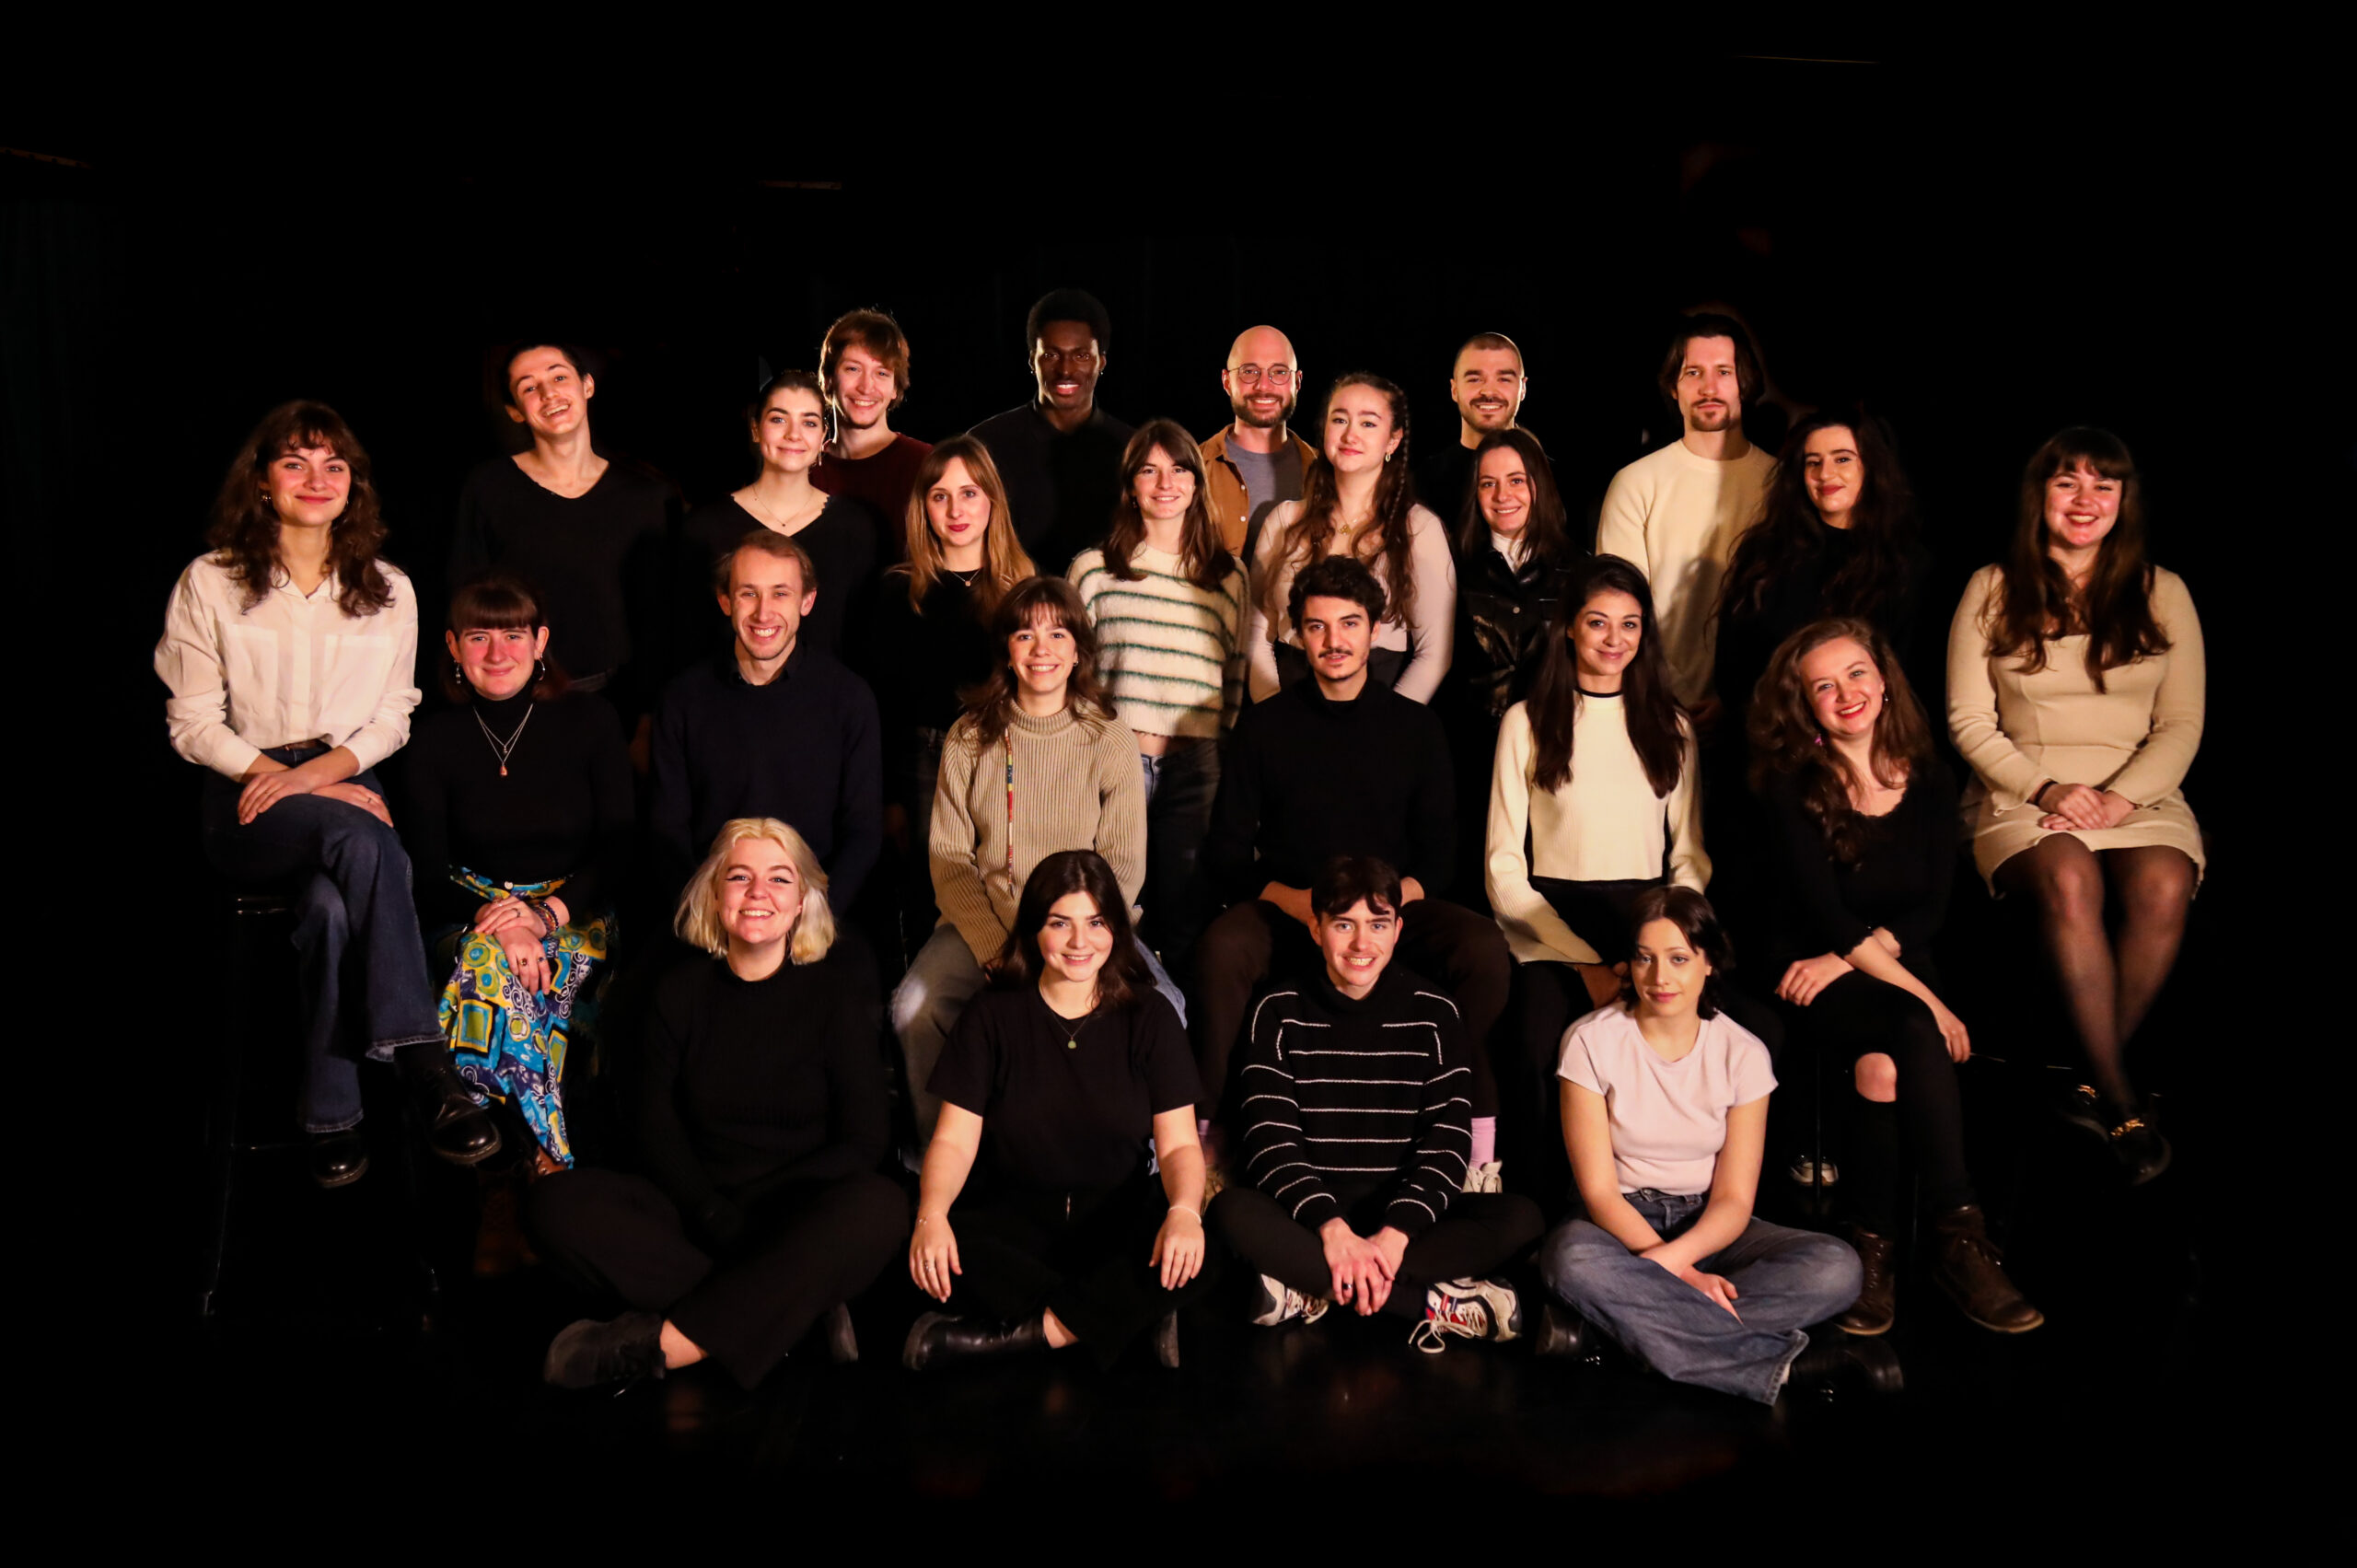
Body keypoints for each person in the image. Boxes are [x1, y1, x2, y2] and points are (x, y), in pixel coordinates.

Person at [157, 401, 493, 1188]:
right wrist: (277, 777)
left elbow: (393, 716)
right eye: (295, 463)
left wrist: (317, 778)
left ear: (353, 485)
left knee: (331, 907)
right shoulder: (212, 580)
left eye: (333, 465)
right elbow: (193, 722)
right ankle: (426, 1064)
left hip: (344, 780)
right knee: (366, 840)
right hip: (243, 793)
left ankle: (332, 1115)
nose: (317, 478)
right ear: (263, 481)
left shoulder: (388, 588)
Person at [527, 819, 905, 1389]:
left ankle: (664, 1347)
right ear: (715, 894)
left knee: (881, 1207)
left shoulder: (837, 997)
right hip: (695, 1214)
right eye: (739, 877)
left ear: (803, 902)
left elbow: (865, 1140)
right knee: (554, 1206)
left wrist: (754, 1210)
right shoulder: (677, 993)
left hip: (799, 1217)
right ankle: (792, 1311)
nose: (758, 892)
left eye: (779, 879)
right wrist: (709, 1211)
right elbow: (652, 1127)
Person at [1753, 620, 2042, 1335]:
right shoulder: (1791, 785)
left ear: (1883, 680)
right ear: (1807, 705)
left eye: (1856, 673)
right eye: (1824, 685)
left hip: (1880, 961)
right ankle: (1960, 1237)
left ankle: (1872, 1251)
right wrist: (1931, 1003)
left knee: (1883, 1068)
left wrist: (1874, 964)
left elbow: (1932, 908)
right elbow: (1826, 915)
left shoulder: (1931, 776)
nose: (1845, 693)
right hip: (1806, 977)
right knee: (1914, 1027)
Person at [1197, 558, 1508, 1186]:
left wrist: (1383, 914)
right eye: (1317, 626)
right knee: (1221, 950)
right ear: (1297, 635)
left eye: (1349, 624)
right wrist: (1299, 904)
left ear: (1375, 630)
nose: (1333, 640)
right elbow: (1227, 856)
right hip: (1296, 910)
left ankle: (1470, 1142)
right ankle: (1205, 1143)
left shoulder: (1417, 727)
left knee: (1482, 949)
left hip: (1391, 913)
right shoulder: (1264, 726)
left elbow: (1440, 858)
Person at [1947, 428, 2203, 1183]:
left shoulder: (2164, 590)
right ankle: (2119, 1097)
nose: (2085, 500)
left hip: (2139, 791)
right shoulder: (1992, 587)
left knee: (2166, 880)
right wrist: (2048, 789)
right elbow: (1968, 719)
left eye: (2103, 485)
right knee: (2068, 874)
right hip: (2023, 792)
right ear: (2042, 495)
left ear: (2124, 500)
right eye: (2068, 482)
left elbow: (2182, 723)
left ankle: (2086, 1078)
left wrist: (2120, 798)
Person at [1538, 888, 1864, 1403]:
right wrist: (1684, 1275)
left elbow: (1734, 1200)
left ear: (1709, 962)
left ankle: (1611, 1331)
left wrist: (1675, 1268)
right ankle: (1780, 1366)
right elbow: (1600, 1194)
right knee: (1569, 1259)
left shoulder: (1743, 1052)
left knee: (1837, 1267)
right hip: (1620, 1226)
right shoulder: (1590, 1041)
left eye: (1678, 959)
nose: (1659, 977)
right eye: (1644, 958)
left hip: (1710, 1226)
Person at [1209, 855, 1542, 1352]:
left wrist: (1395, 1234)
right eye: (1344, 925)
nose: (1362, 944)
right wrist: (1332, 1230)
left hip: (1402, 1215)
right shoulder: (1277, 1011)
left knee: (1522, 1219)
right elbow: (1270, 1143)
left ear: (1398, 930)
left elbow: (1447, 1142)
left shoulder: (1436, 1013)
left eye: (1377, 925)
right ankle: (1428, 1305)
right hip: (1312, 1216)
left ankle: (1311, 1288)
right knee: (1229, 1211)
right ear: (1316, 929)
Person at [892, 576, 1184, 1142]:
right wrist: (995, 945)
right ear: (1007, 650)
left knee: (1168, 1006)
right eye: (1025, 635)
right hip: (989, 924)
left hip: (1089, 928)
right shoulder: (969, 736)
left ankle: (1149, 1164)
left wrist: (1081, 935)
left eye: (1057, 634)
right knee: (913, 1009)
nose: (1041, 649)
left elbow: (1124, 865)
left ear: (1077, 651)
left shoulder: (1109, 737)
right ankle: (940, 1162)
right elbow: (950, 859)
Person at [904, 851, 1215, 1371]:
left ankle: (1017, 1336)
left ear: (1116, 929)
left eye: (1095, 922)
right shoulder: (991, 1014)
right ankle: (1120, 1313)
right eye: (1059, 923)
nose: (1079, 942)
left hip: (1115, 1222)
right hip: (1015, 1220)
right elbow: (954, 1141)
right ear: (1034, 930)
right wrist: (931, 1215)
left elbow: (1180, 1144)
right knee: (921, 1236)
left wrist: (1184, 1212)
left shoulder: (1152, 1016)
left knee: (1213, 1236)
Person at [1484, 555, 1706, 1204]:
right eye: (1598, 622)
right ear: (1571, 628)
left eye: (1630, 624)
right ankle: (1543, 1217)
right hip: (1551, 926)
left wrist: (1666, 949)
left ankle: (1663, 1206)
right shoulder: (1526, 721)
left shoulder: (1671, 725)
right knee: (1537, 1044)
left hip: (1650, 923)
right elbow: (1503, 866)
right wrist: (1584, 964)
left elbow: (1690, 857)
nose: (1614, 639)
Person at [406, 571, 634, 1172]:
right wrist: (499, 919)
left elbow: (619, 847)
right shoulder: (430, 737)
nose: (497, 653)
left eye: (513, 635)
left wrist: (543, 916)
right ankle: (541, 1158)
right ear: (453, 647)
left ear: (541, 642)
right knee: (488, 965)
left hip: (573, 908)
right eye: (478, 637)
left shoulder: (592, 720)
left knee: (547, 976)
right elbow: (425, 871)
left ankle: (514, 1160)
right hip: (470, 910)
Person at [1068, 421, 1248, 976]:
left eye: (1178, 470)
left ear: (1197, 483)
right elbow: (1072, 676)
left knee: (1187, 917)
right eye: (1149, 470)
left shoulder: (1228, 577)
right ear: (1130, 486)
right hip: (1114, 760)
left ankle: (1179, 1024)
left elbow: (1235, 679)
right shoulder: (1095, 569)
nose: (1165, 483)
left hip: (1194, 769)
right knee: (1105, 910)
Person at [450, 341, 676, 749]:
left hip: (621, 708)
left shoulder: (648, 498)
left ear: (587, 385)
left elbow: (661, 622)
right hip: (518, 703)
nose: (548, 393)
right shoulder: (488, 489)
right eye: (529, 387)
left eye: (558, 377)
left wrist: (648, 717)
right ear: (515, 411)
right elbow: (466, 605)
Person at [866, 437, 1039, 949]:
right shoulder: (899, 590)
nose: (956, 510)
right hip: (925, 759)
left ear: (992, 500)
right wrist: (890, 799)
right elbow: (881, 700)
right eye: (940, 496)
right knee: (931, 888)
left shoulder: (1024, 587)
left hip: (1006, 751)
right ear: (923, 508)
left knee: (1006, 881)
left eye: (969, 493)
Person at [648, 532, 882, 910]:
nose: (763, 613)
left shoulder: (849, 698)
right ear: (725, 600)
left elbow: (864, 833)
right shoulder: (681, 699)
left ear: (807, 601)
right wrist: (705, 914)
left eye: (780, 593)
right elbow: (667, 831)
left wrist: (815, 917)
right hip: (711, 909)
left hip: (815, 910)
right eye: (749, 593)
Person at [1595, 314, 1776, 712]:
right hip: (1654, 706)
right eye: (1693, 372)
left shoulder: (1779, 484)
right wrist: (1666, 698)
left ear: (1744, 383)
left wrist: (1737, 698)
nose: (1709, 388)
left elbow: (1787, 610)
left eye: (1723, 372)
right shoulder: (1635, 483)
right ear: (1673, 388)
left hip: (1757, 710)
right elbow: (1618, 612)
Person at [1714, 412, 1935, 734]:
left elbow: (1911, 676)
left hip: (1870, 741)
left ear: (1871, 467)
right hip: (1771, 738)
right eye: (1813, 462)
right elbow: (1733, 665)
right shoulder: (1764, 553)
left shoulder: (1907, 564)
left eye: (1842, 459)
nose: (1825, 474)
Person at [1245, 373, 1456, 704]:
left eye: (1368, 423)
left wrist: (1387, 724)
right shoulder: (1284, 521)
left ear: (1393, 440)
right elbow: (1255, 634)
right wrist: (1275, 713)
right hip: (1289, 702)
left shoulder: (1418, 529)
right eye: (1340, 419)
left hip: (1378, 707)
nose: (1350, 435)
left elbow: (1434, 655)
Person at [1446, 428, 1585, 903]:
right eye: (1488, 483)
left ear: (1538, 486)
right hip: (1470, 758)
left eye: (1516, 480)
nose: (1502, 495)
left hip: (1554, 754)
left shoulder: (1579, 569)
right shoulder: (1453, 564)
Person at [682, 369, 881, 660]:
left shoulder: (856, 527)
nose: (793, 434)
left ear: (823, 436)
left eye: (809, 422)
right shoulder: (704, 527)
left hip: (830, 689)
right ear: (755, 428)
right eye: (778, 419)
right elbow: (686, 638)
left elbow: (865, 643)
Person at [970, 288, 1134, 574]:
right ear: (1032, 360)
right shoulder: (985, 444)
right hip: (1009, 597)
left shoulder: (1133, 447)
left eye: (1081, 355)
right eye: (1051, 355)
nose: (1065, 370)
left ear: (1101, 362)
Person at [812, 308, 933, 551]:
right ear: (829, 378)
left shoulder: (927, 464)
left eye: (881, 373)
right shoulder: (805, 470)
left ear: (895, 388)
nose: (867, 387)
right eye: (853, 369)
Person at [1198, 324, 1318, 559]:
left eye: (1279, 372)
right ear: (1226, 381)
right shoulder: (1192, 468)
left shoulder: (1325, 471)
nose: (1263, 386)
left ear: (1297, 383)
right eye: (1249, 371)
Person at [1414, 331, 1532, 531]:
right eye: (1475, 379)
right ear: (1454, 389)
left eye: (1504, 379)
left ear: (1522, 389)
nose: (1489, 392)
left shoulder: (1551, 477)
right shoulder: (1420, 483)